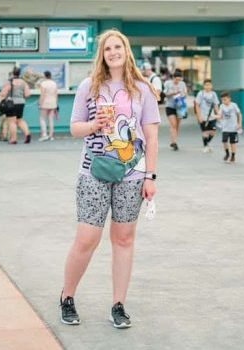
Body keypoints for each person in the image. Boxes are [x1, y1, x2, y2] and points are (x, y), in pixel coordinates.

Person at [62, 29, 160, 329]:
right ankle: (67, 296)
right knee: (87, 239)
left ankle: (118, 304)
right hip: (94, 171)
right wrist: (94, 124)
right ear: (102, 55)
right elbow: (74, 128)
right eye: (108, 49)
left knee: (124, 239)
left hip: (132, 174)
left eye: (118, 47)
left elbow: (152, 135)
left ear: (126, 50)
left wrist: (150, 176)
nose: (113, 52)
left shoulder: (142, 89)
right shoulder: (88, 86)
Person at [0, 67, 32, 144]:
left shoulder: (9, 82)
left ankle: (13, 139)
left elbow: (3, 94)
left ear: (13, 73)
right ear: (20, 73)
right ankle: (27, 134)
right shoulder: (24, 82)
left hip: (11, 103)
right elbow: (27, 94)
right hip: (21, 103)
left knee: (12, 122)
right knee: (20, 120)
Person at [163, 69, 187, 151]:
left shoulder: (182, 84)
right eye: (176, 80)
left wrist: (182, 95)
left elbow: (185, 93)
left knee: (177, 126)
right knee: (173, 124)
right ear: (173, 78)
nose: (178, 81)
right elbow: (165, 94)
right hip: (170, 106)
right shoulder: (168, 83)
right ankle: (174, 142)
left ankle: (174, 141)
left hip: (180, 107)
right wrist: (174, 93)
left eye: (179, 80)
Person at [216, 91, 242, 164]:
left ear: (229, 99)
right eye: (222, 100)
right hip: (225, 128)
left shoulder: (234, 105)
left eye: (225, 99)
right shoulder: (221, 106)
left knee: (232, 143)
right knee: (224, 141)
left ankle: (233, 156)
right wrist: (215, 116)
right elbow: (219, 115)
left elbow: (239, 114)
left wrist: (239, 124)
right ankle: (227, 153)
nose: (224, 101)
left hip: (233, 128)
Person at [194, 79, 220, 153]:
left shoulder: (214, 94)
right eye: (206, 85)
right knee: (205, 132)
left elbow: (216, 105)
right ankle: (205, 146)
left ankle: (207, 144)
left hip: (212, 117)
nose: (208, 86)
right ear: (204, 86)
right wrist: (199, 116)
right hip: (203, 116)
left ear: (211, 86)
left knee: (213, 131)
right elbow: (197, 105)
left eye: (209, 85)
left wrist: (218, 114)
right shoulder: (201, 94)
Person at [37, 71, 58, 141]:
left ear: (44, 76)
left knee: (42, 118)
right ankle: (51, 135)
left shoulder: (43, 84)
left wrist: (40, 103)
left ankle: (44, 134)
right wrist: (56, 103)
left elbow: (42, 95)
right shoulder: (54, 83)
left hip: (45, 103)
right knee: (51, 119)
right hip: (53, 103)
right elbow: (56, 94)